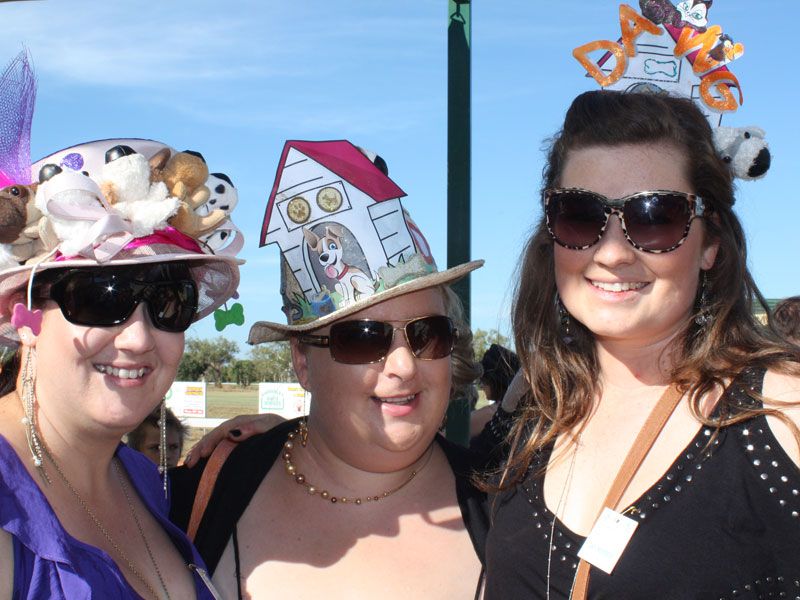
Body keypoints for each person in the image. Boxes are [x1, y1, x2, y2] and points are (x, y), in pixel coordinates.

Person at [483, 90, 800, 598]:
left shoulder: (784, 413)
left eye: (656, 217)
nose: (612, 252)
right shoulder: (535, 417)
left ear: (710, 243)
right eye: (580, 214)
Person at [170, 139, 488, 599]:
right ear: (303, 361)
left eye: (427, 333)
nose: (404, 365)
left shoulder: (509, 509)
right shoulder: (200, 492)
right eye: (363, 338)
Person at [0, 137, 242, 598]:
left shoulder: (143, 479)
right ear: (23, 315)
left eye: (168, 302)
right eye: (99, 298)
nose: (138, 339)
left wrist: (283, 437)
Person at [470, 343, 520, 438]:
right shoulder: (518, 409)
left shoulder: (490, 413)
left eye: (483, 380)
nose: (481, 385)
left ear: (494, 380)